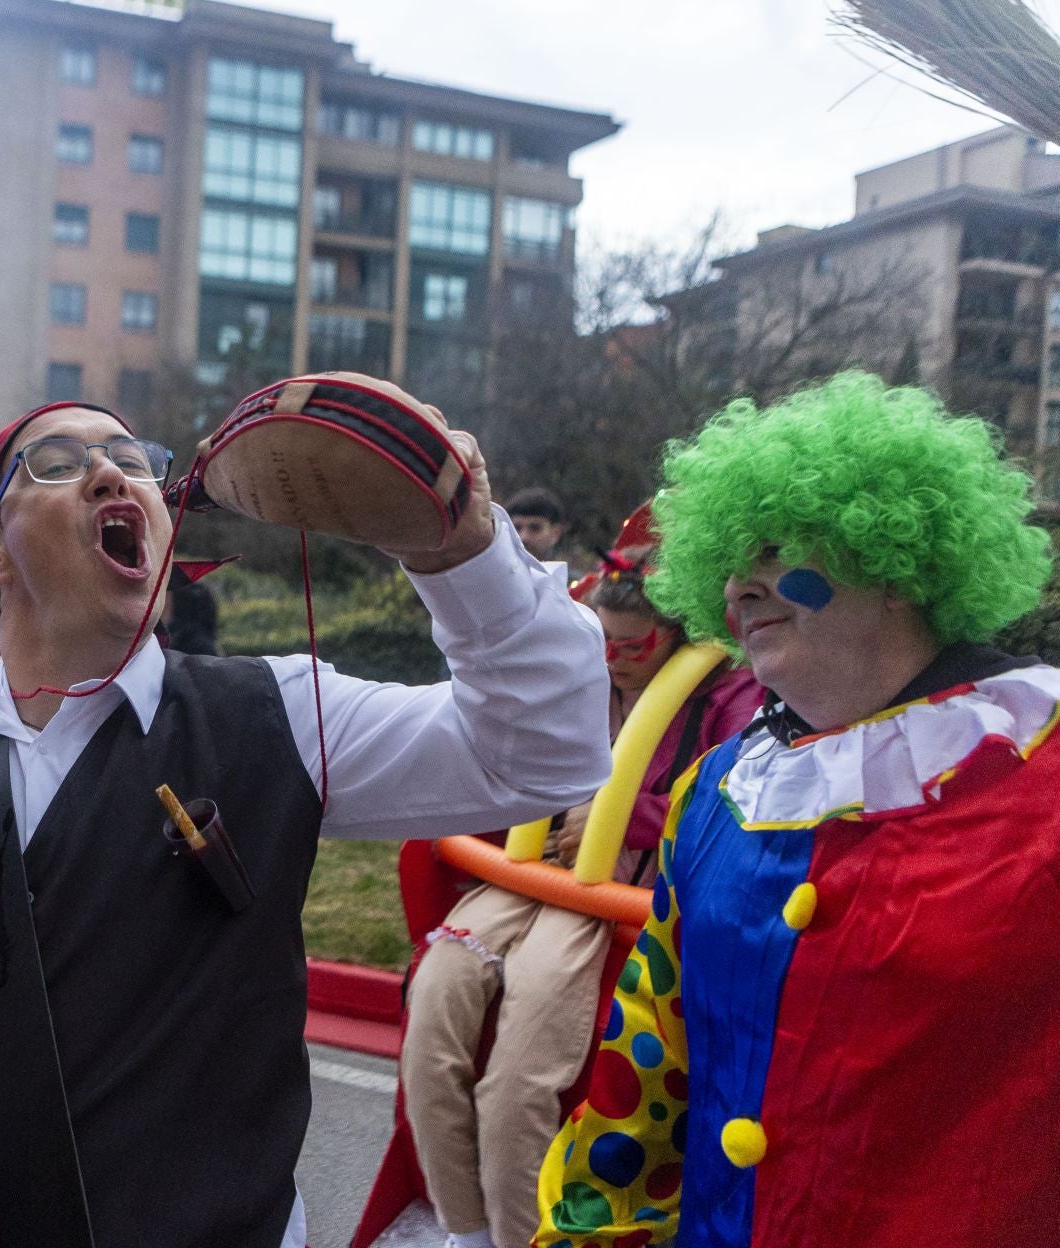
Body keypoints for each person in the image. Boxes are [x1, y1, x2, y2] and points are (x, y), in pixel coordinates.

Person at [0, 396, 612, 1248]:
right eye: (55, 462)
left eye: (136, 461)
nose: (110, 469)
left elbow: (547, 751)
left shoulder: (279, 712)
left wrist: (463, 551)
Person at [533, 373, 1060, 1248]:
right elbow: (647, 1080)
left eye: (775, 551)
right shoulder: (718, 794)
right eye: (729, 563)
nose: (739, 585)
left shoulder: (1037, 769)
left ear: (893, 564)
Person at [401, 542, 762, 1248]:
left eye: (636, 645)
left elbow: (733, 804)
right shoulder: (575, 672)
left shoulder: (729, 697)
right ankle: (464, 1229)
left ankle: (518, 1236)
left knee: (517, 1083)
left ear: (677, 634)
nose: (617, 659)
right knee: (433, 1016)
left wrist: (625, 817)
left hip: (610, 903)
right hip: (524, 877)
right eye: (606, 642)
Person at [505, 488, 567, 563]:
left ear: (555, 534)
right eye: (516, 528)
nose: (524, 537)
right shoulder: (490, 573)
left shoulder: (566, 575)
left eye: (535, 528)